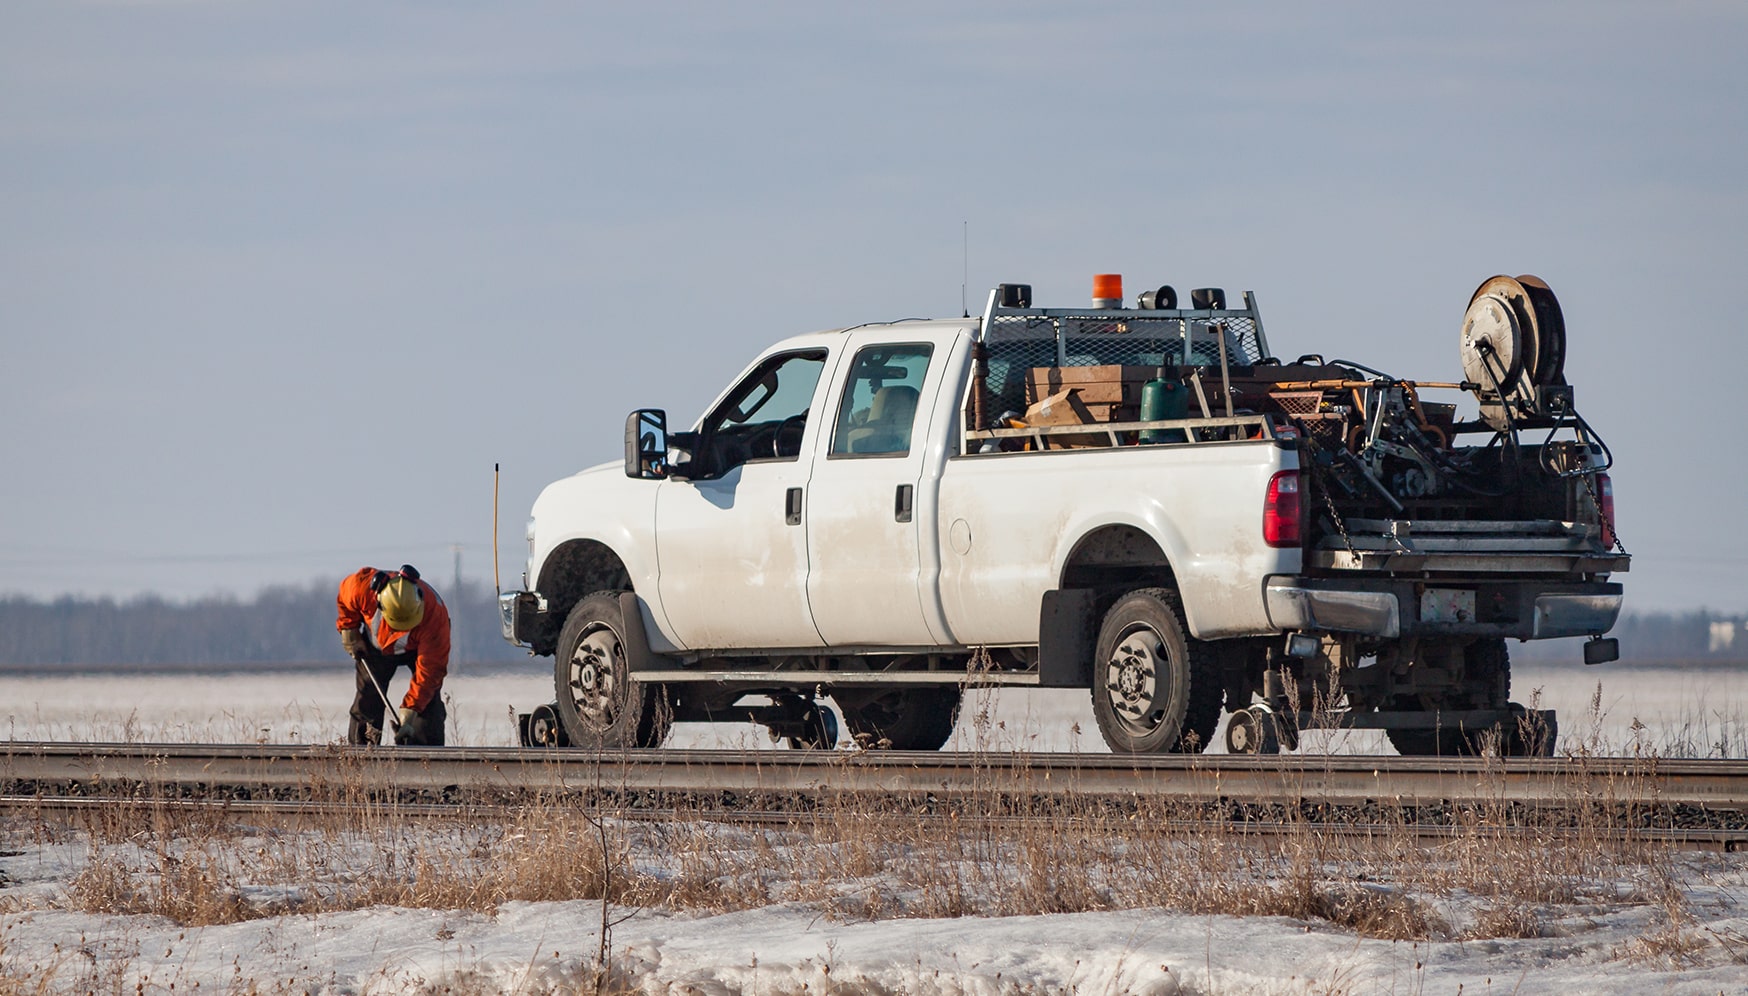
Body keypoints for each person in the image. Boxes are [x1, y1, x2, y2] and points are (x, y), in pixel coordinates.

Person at [335, 564, 451, 746]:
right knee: (368, 699)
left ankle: (426, 762)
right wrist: (349, 629)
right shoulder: (362, 588)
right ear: (379, 603)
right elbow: (345, 599)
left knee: (428, 706)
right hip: (376, 648)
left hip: (417, 651)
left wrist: (410, 710)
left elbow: (430, 671)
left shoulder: (434, 617)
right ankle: (361, 759)